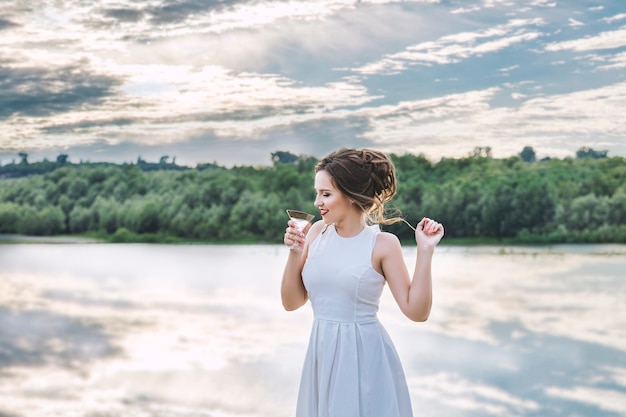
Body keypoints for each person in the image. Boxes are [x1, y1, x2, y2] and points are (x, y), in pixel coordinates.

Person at [281, 148, 445, 417]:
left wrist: (425, 251)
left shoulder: (382, 244)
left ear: (350, 195)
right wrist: (294, 251)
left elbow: (417, 312)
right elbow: (291, 302)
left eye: (325, 194)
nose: (316, 202)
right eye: (317, 193)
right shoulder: (316, 234)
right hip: (321, 354)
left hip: (365, 358)